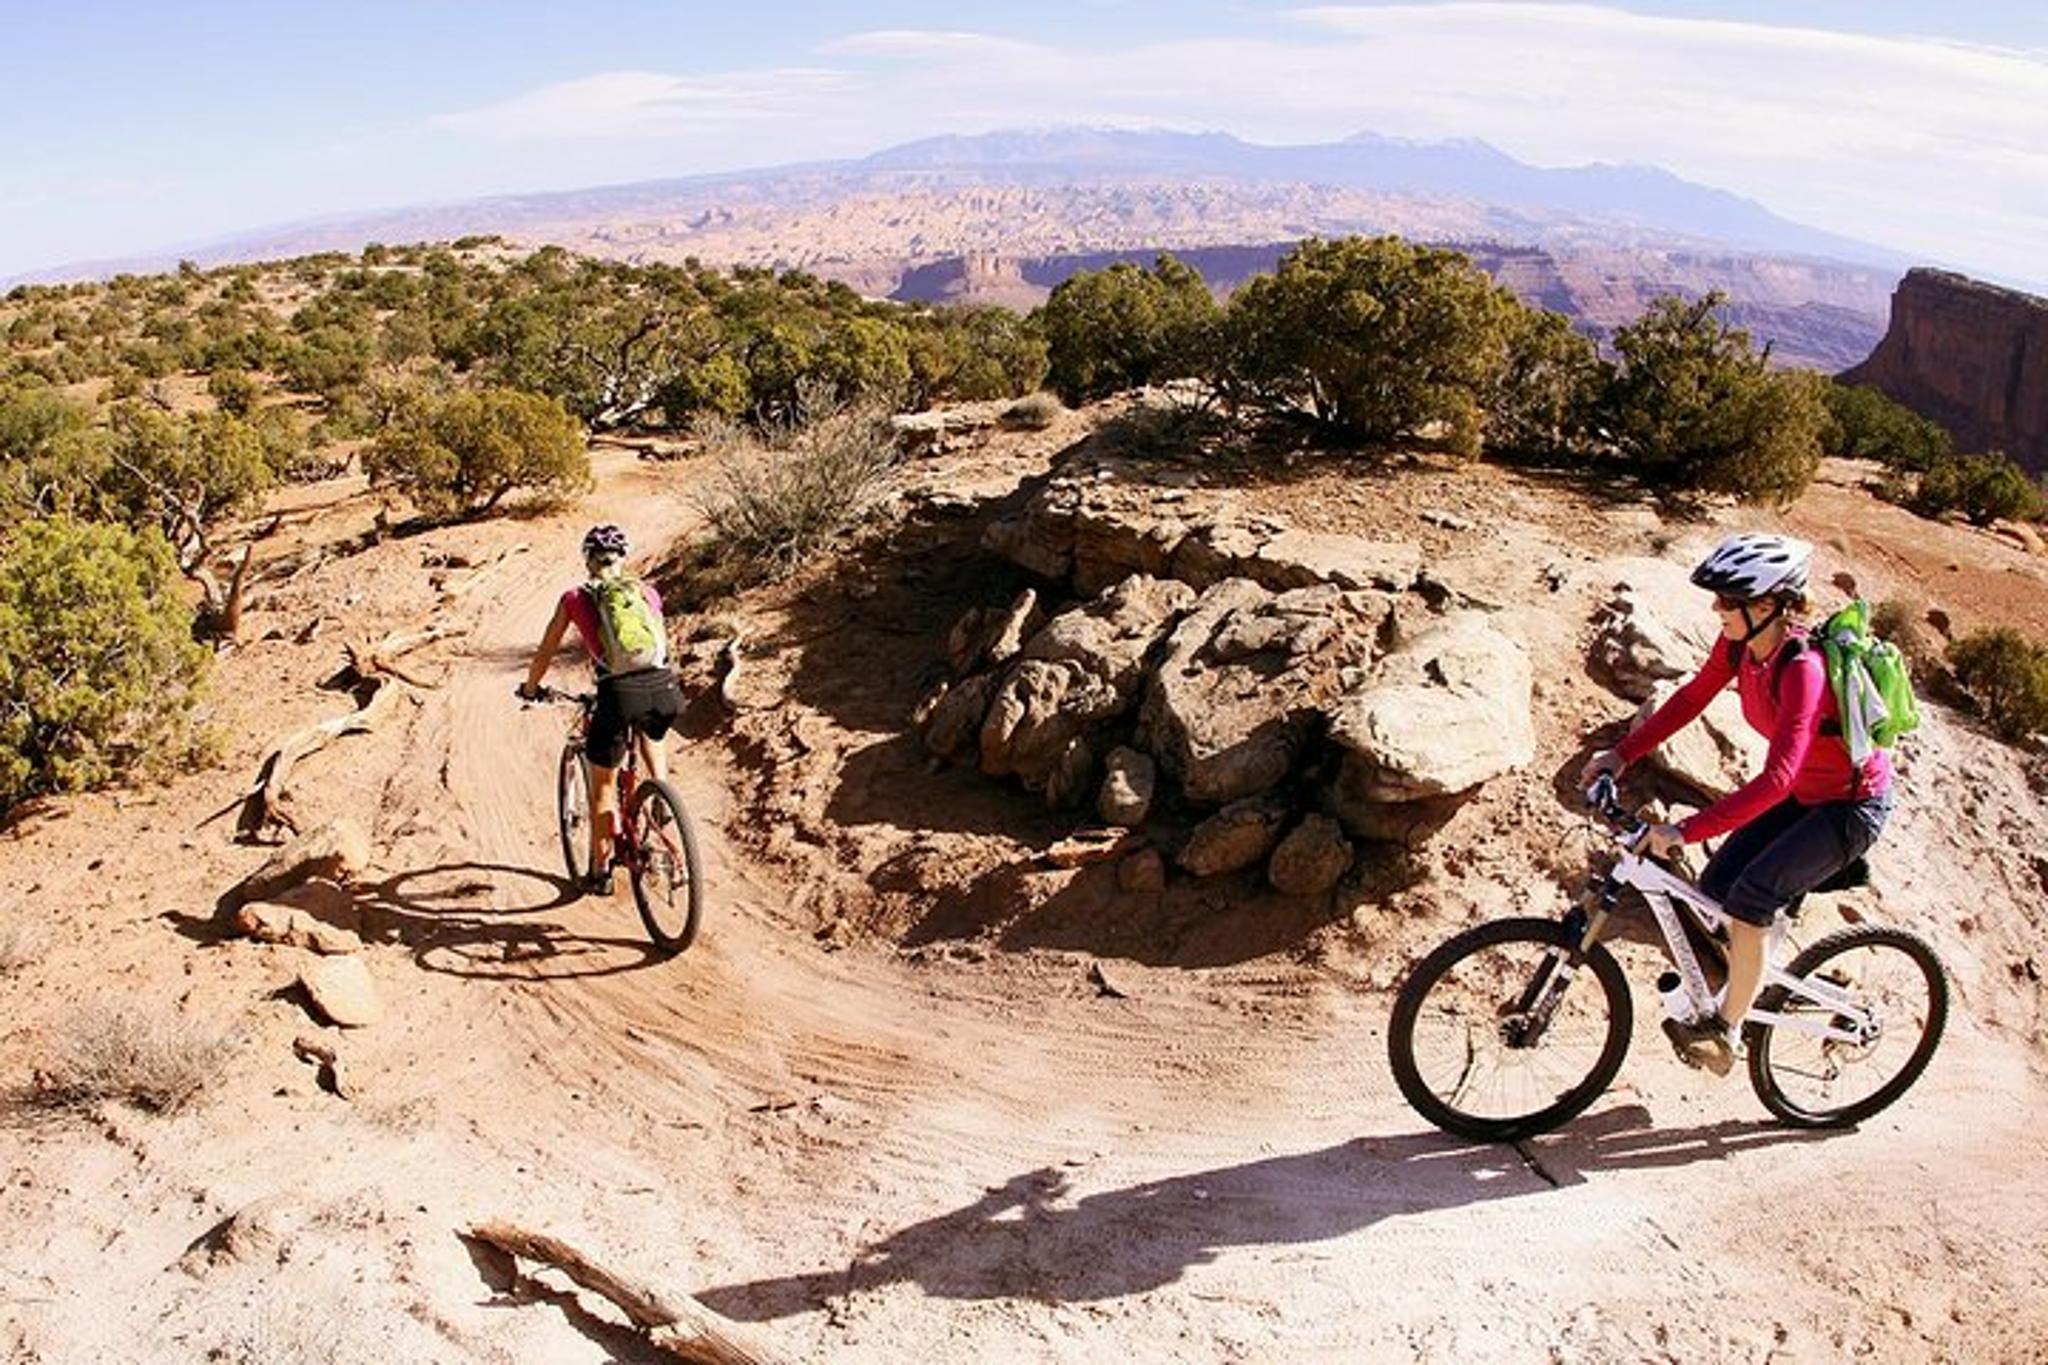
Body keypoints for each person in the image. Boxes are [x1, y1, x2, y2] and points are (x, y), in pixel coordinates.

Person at [1580, 533, 1895, 1076]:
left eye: (1730, 599)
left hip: (1850, 807)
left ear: (1769, 605)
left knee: (1749, 899)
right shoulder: (1739, 648)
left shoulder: (1803, 669)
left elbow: (1777, 778)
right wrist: (1621, 755)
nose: (1716, 608)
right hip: (1806, 797)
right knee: (1717, 891)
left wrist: (1685, 831)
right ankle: (1763, 978)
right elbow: (1690, 698)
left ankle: (1726, 1029)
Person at [518, 523, 686, 895]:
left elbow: (546, 651)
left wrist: (531, 688)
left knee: (602, 790)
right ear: (623, 559)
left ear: (587, 559)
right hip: (664, 687)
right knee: (652, 729)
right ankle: (662, 792)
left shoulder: (574, 598)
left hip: (618, 693)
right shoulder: (647, 593)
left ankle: (600, 872)